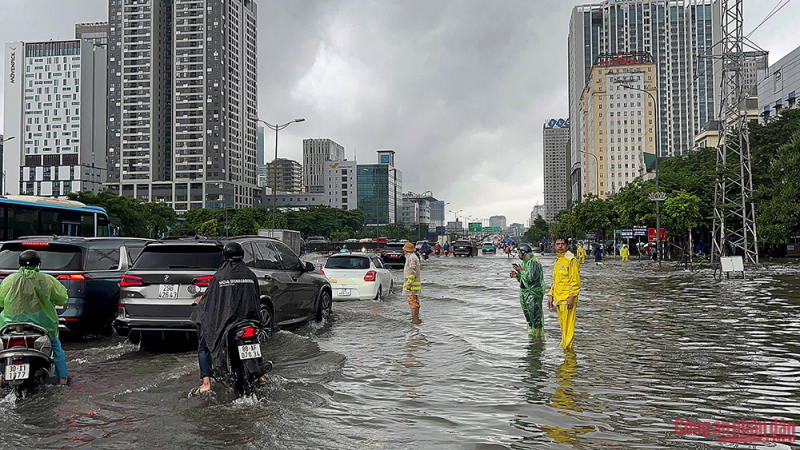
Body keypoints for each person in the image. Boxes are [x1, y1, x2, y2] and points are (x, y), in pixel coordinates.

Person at [190, 242, 269, 394]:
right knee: (254, 342)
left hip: (227, 324)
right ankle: (262, 377)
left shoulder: (220, 276)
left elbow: (209, 300)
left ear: (225, 256)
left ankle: (206, 384)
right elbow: (255, 298)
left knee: (204, 347)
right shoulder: (251, 275)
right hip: (249, 322)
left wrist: (199, 302)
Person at [0, 250, 69, 385]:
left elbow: (1, 301)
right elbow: (62, 298)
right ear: (38, 264)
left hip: (10, 326)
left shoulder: (9, 280)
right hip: (43, 326)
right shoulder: (47, 280)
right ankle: (62, 378)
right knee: (56, 348)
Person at [547, 237, 581, 349]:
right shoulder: (558, 261)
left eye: (562, 244)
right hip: (559, 299)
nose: (560, 246)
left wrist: (572, 296)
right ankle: (566, 352)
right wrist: (551, 295)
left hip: (568, 299)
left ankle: (569, 354)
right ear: (555, 246)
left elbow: (575, 280)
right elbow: (557, 280)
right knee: (563, 328)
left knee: (568, 328)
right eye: (558, 244)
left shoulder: (571, 260)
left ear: (567, 246)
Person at [509, 244, 545, 339]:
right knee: (529, 318)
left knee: (535, 317)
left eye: (519, 253)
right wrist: (517, 276)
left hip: (533, 294)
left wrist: (521, 271)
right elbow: (525, 279)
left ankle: (537, 339)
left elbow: (531, 278)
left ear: (524, 253)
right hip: (525, 293)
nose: (518, 255)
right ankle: (532, 339)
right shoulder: (526, 262)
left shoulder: (533, 262)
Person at [402, 242, 421, 322]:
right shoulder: (414, 257)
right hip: (415, 283)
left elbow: (412, 272)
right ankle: (416, 318)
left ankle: (414, 319)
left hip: (412, 284)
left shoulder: (411, 258)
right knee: (415, 301)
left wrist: (409, 284)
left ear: (407, 251)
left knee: (412, 301)